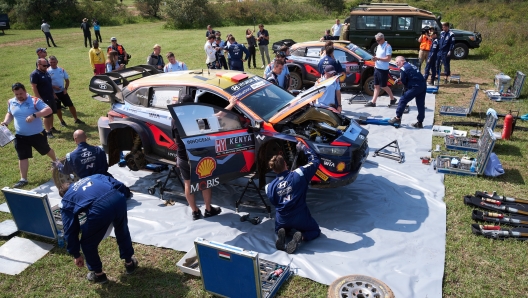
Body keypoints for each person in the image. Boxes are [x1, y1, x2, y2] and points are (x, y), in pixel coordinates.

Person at [59, 174, 137, 284]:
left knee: (87, 243)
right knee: (122, 229)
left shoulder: (67, 199)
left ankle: (99, 275)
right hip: (118, 198)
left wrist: (76, 253)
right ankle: (130, 263)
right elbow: (119, 184)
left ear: (63, 195)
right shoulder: (93, 177)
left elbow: (70, 229)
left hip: (99, 209)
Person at [171, 94, 239, 220]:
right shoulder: (197, 117)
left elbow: (175, 140)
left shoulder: (174, 119)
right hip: (198, 156)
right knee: (205, 183)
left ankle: (195, 212)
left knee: (187, 184)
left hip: (183, 156)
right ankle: (208, 210)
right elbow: (218, 116)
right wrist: (232, 103)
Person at [266, 142, 321, 254]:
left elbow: (274, 202)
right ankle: (302, 237)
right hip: (300, 216)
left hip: (282, 218)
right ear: (285, 164)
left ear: (274, 169)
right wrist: (304, 148)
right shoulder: (299, 174)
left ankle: (283, 232)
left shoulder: (269, 187)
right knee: (315, 230)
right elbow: (315, 160)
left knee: (280, 228)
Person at [1, 83, 58, 188]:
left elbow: (48, 110)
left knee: (46, 150)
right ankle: (23, 179)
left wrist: (35, 115)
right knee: (22, 156)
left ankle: (56, 161)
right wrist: (6, 122)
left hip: (37, 134)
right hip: (20, 136)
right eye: (17, 94)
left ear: (25, 91)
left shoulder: (35, 101)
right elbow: (10, 113)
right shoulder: (11, 102)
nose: (19, 96)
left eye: (21, 93)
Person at [388, 56, 426, 128]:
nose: (397, 64)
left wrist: (403, 85)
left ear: (402, 61)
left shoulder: (403, 68)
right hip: (422, 85)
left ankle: (397, 118)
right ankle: (420, 122)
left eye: (397, 62)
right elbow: (411, 75)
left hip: (415, 87)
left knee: (403, 100)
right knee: (420, 104)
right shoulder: (410, 65)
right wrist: (400, 79)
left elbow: (404, 81)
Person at [47, 56, 84, 127]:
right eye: (51, 62)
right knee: (58, 108)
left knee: (71, 105)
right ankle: (62, 121)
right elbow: (47, 84)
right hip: (54, 93)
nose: (52, 64)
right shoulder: (47, 71)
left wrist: (65, 89)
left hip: (63, 92)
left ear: (57, 62)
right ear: (49, 62)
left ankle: (76, 119)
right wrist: (54, 88)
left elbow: (67, 80)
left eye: (54, 62)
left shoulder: (62, 70)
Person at [364, 33, 396, 107]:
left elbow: (388, 59)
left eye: (378, 40)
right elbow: (378, 56)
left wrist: (378, 59)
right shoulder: (378, 46)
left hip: (383, 69)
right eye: (376, 41)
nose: (377, 42)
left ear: (382, 39)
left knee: (383, 86)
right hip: (377, 68)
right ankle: (373, 102)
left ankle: (392, 98)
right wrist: (375, 58)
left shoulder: (387, 46)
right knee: (376, 86)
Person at [31, 58, 60, 138]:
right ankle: (48, 132)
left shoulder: (46, 72)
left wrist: (53, 94)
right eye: (44, 65)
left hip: (50, 96)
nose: (46, 67)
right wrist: (39, 98)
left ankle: (51, 127)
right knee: (46, 115)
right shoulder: (35, 74)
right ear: (38, 65)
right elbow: (34, 87)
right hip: (43, 98)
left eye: (47, 65)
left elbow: (49, 84)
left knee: (51, 112)